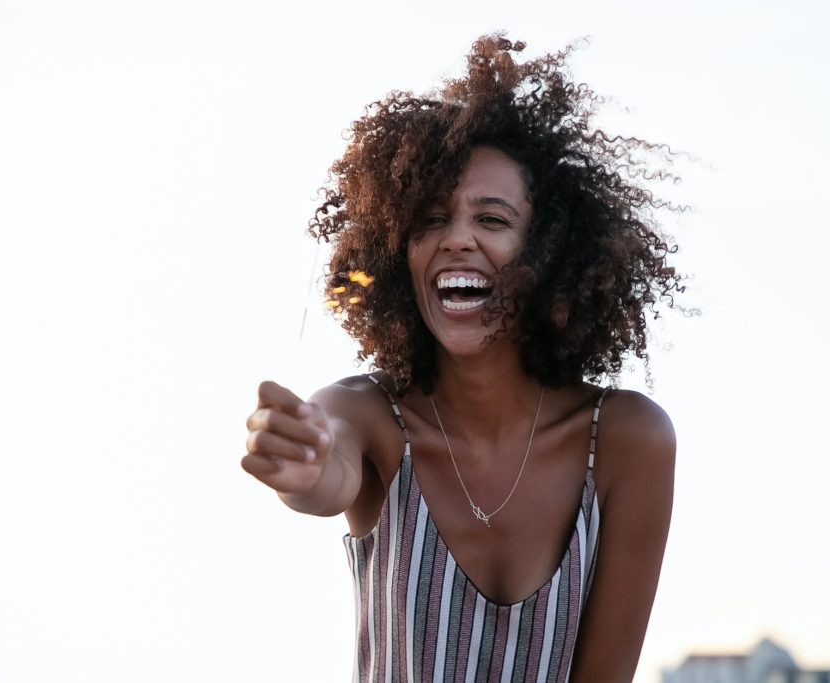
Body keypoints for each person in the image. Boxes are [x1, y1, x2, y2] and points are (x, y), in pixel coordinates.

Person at [243, 34, 681, 682]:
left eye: (493, 219)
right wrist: (301, 467)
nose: (456, 240)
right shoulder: (369, 417)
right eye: (431, 220)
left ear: (549, 254)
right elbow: (326, 464)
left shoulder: (626, 441)